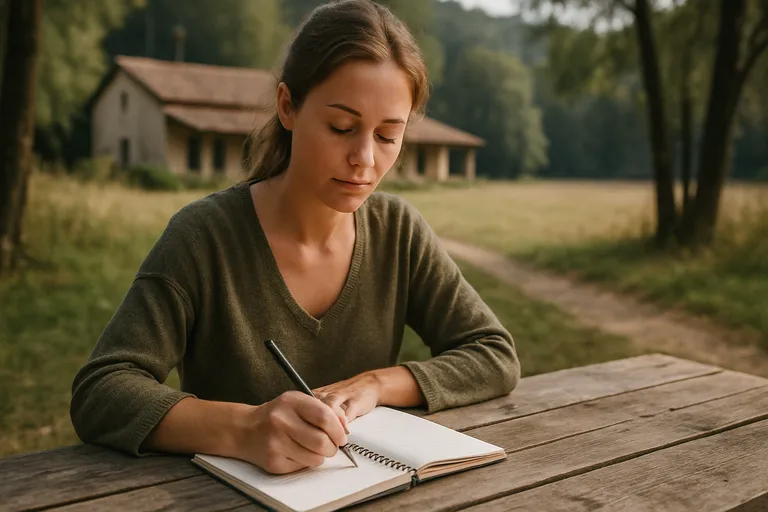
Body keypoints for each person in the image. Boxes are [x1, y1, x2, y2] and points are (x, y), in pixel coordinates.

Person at [70, 0, 520, 476]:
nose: (364, 158)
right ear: (288, 107)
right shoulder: (204, 237)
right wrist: (243, 429)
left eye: (388, 136)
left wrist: (376, 384)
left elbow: (492, 353)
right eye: (341, 128)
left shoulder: (398, 232)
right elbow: (103, 389)